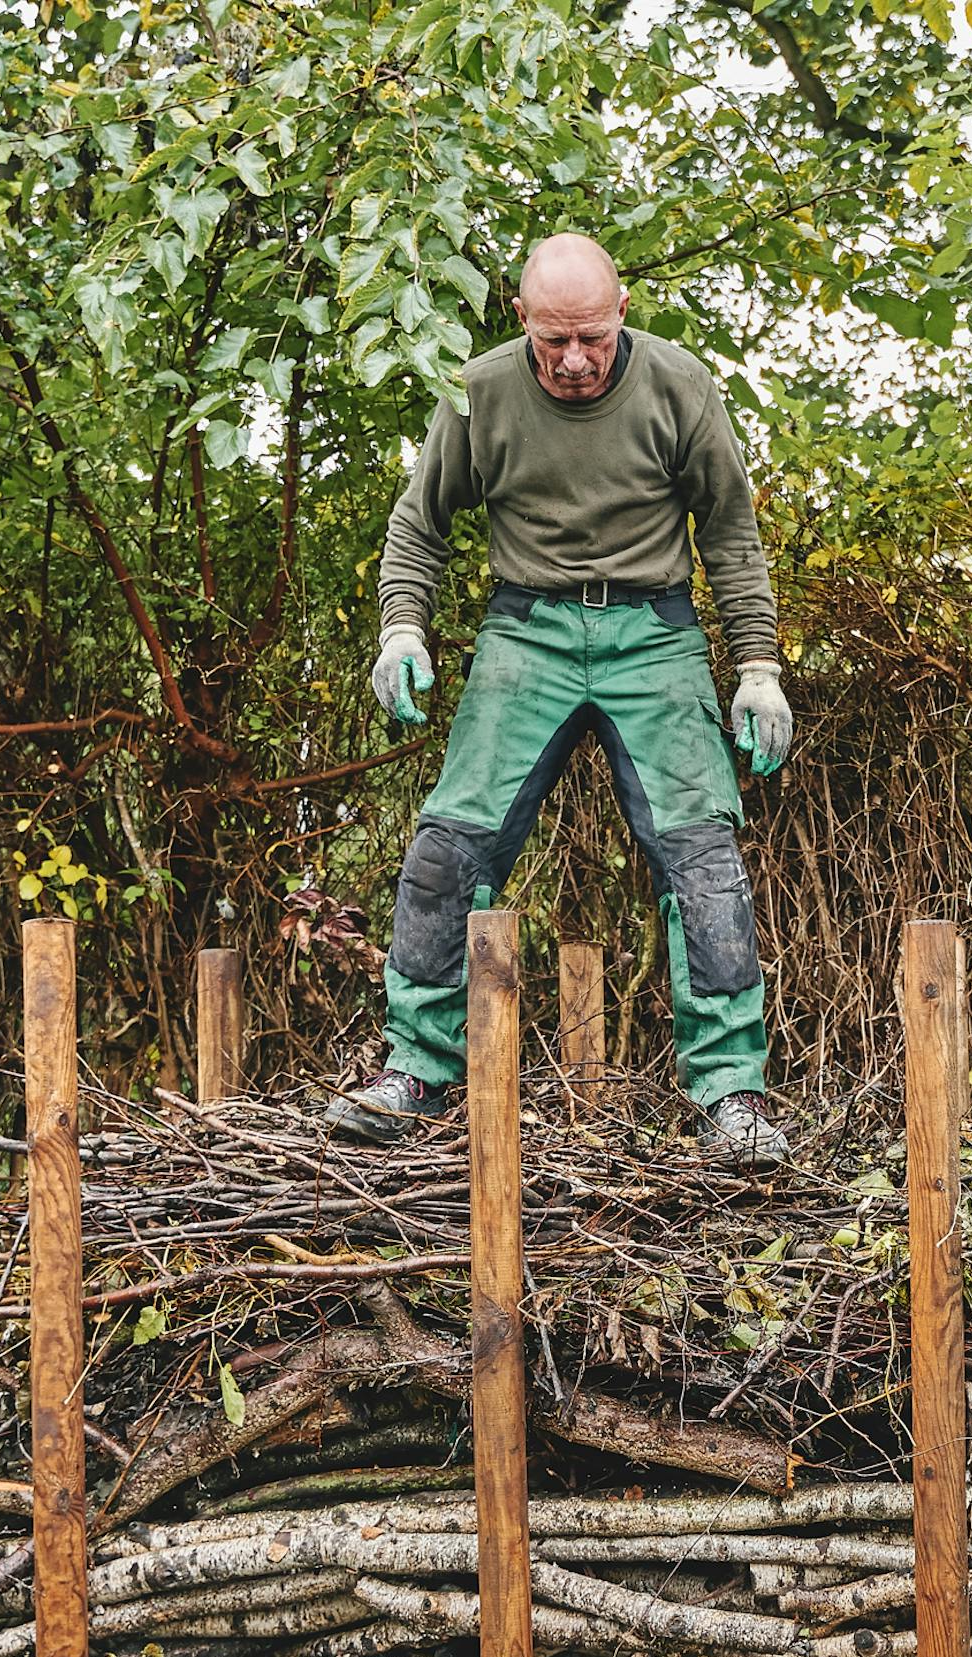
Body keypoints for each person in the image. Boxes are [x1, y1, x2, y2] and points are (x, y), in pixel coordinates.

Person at [323, 232, 792, 1166]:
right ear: (522, 321)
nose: (574, 361)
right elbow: (419, 524)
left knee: (701, 855)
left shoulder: (679, 387)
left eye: (592, 338)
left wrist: (758, 668)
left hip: (653, 633)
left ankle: (732, 1094)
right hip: (526, 631)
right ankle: (416, 1070)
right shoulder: (483, 392)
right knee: (450, 845)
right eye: (553, 341)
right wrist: (402, 630)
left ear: (622, 313)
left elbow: (731, 534)